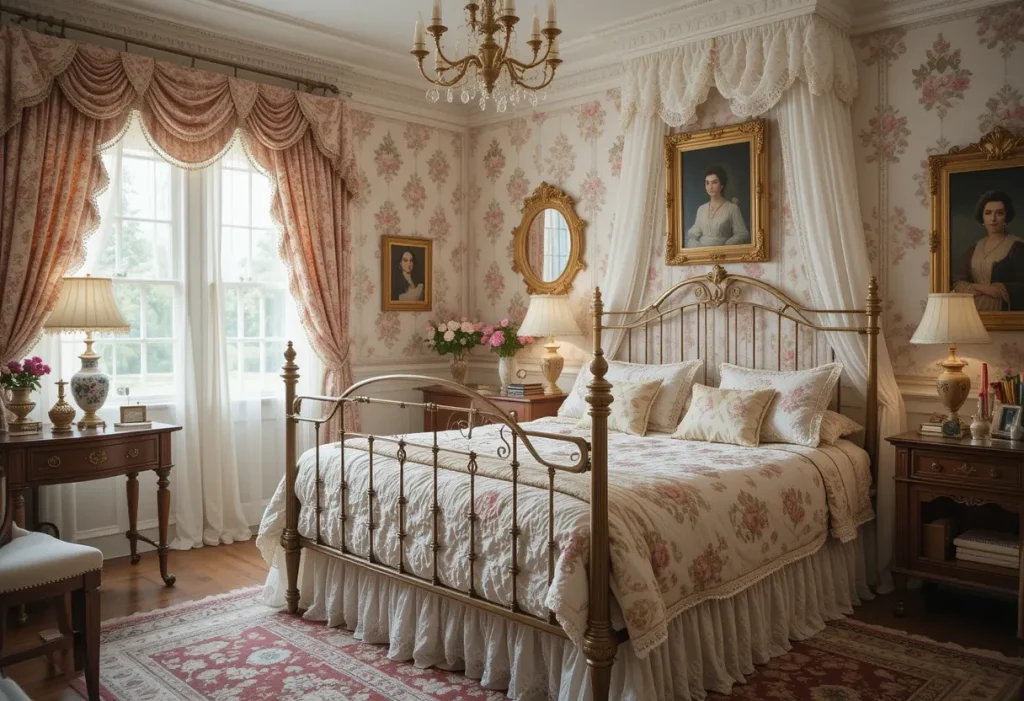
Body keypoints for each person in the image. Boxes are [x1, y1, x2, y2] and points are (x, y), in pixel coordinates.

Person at [952, 190, 1024, 312]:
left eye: (999, 213)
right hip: (972, 311)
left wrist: (985, 288)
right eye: (988, 213)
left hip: (1004, 313)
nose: (993, 218)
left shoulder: (1017, 246)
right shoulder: (975, 247)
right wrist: (973, 288)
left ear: (1006, 217)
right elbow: (958, 280)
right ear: (982, 217)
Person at [685, 166, 750, 248]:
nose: (710, 187)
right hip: (702, 251)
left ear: (722, 185)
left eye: (714, 182)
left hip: (723, 251)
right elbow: (695, 231)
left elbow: (742, 234)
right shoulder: (701, 209)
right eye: (707, 183)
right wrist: (694, 243)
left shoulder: (732, 208)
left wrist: (726, 246)